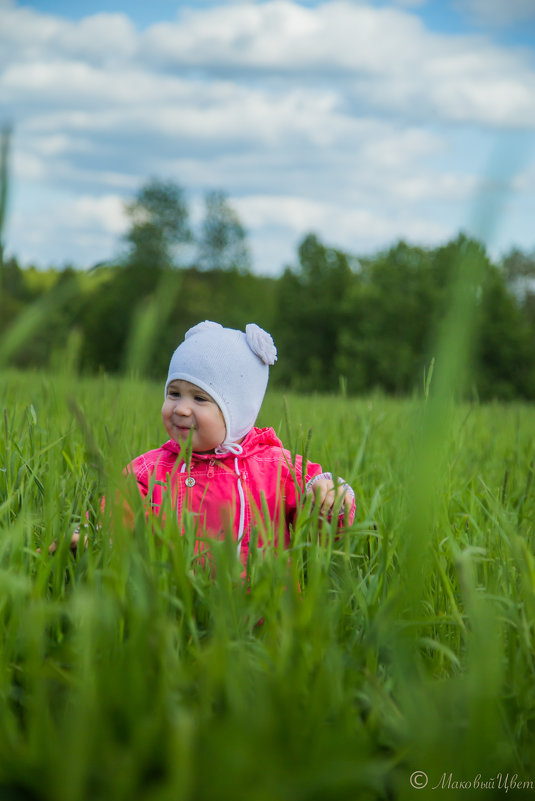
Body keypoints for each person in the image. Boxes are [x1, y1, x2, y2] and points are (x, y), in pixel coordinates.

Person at [69, 321, 355, 560]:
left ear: (238, 411)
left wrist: (330, 497)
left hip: (264, 614)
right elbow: (114, 516)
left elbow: (326, 536)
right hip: (174, 609)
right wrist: (88, 537)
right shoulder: (150, 471)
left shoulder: (276, 467)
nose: (181, 408)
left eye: (200, 398)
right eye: (174, 393)